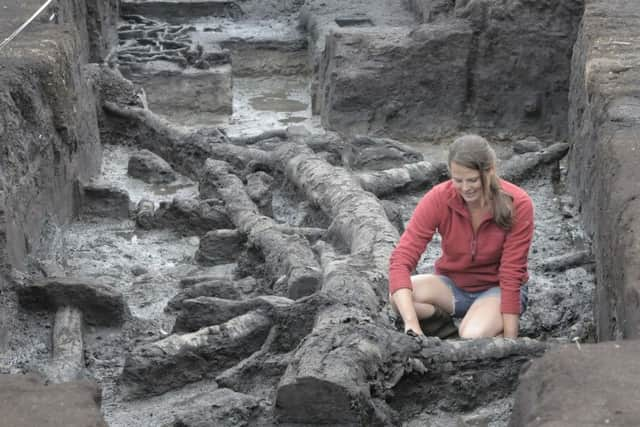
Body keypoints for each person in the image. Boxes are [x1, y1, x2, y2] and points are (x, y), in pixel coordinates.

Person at [388, 134, 534, 338]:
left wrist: (511, 340)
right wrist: (412, 325)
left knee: (472, 335)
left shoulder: (519, 203)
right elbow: (401, 258)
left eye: (473, 180)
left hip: (496, 289)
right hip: (454, 287)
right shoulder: (438, 198)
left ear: (490, 171)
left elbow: (511, 273)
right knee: (399, 298)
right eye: (458, 180)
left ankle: (482, 329)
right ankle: (445, 327)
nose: (465, 188)